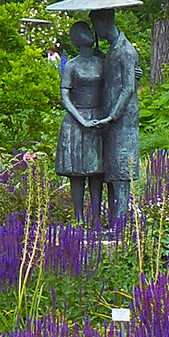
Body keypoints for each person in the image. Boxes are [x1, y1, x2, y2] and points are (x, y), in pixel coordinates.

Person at [91, 8, 141, 220]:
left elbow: (128, 88)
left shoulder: (126, 51)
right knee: (112, 170)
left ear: (105, 22)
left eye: (95, 24)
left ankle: (120, 223)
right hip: (111, 120)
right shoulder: (112, 50)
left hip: (122, 120)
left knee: (122, 171)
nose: (95, 30)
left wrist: (112, 116)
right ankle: (115, 220)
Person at [56, 21, 106, 224]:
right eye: (84, 31)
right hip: (76, 123)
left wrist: (135, 76)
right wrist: (80, 119)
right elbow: (64, 95)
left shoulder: (102, 62)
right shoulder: (72, 65)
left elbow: (117, 82)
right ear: (76, 39)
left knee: (96, 172)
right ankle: (78, 219)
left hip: (97, 118)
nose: (90, 33)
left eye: (89, 30)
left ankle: (96, 219)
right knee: (77, 174)